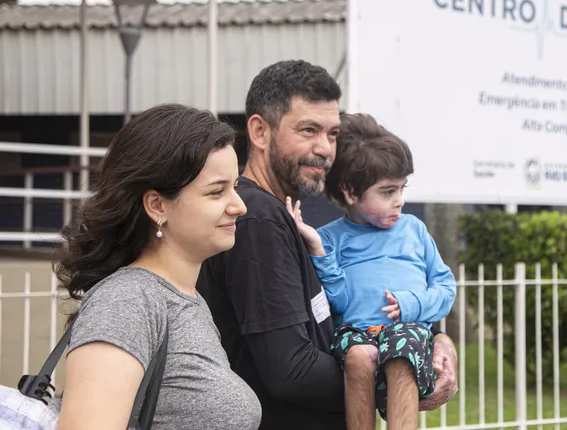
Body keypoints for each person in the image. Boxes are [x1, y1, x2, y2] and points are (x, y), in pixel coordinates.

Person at [197, 59, 459, 430]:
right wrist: (402, 374)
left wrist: (436, 343)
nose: (324, 149)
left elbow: (338, 320)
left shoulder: (285, 218)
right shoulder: (257, 218)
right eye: (308, 130)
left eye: (332, 134)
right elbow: (292, 369)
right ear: (259, 132)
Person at [55, 104, 262, 430]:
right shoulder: (128, 302)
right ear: (157, 205)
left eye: (235, 187)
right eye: (217, 191)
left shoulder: (186, 300)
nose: (239, 205)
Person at [286, 112, 457, 429]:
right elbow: (338, 303)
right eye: (388, 191)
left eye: (402, 188)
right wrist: (318, 251)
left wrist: (411, 305)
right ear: (351, 192)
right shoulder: (328, 239)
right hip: (357, 338)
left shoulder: (414, 231)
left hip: (407, 337)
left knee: (402, 350)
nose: (400, 201)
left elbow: (446, 288)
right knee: (358, 356)